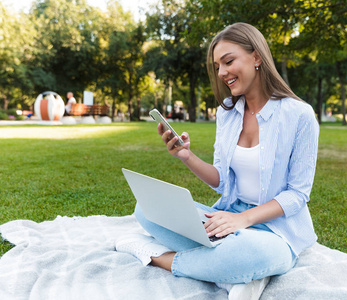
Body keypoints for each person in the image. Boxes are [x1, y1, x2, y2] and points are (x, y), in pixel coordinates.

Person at [115, 23, 319, 298]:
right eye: (217, 66)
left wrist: (243, 220)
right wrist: (186, 156)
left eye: (229, 61)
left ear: (257, 57)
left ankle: (157, 257)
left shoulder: (299, 115)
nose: (222, 73)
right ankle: (231, 271)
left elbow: (297, 195)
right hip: (228, 217)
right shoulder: (228, 114)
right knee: (146, 210)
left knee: (252, 254)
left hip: (276, 230)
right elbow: (222, 180)